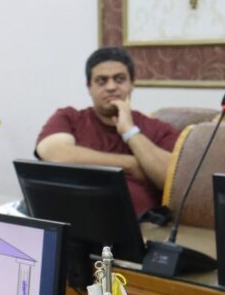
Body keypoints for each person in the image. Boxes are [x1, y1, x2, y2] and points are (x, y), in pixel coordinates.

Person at [36, 47, 180, 216]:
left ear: (132, 83)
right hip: (71, 217)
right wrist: (130, 164)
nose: (111, 87)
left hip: (139, 225)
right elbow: (53, 153)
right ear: (89, 87)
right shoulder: (69, 118)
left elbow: (174, 182)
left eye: (119, 79)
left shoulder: (159, 129)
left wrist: (130, 132)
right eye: (101, 81)